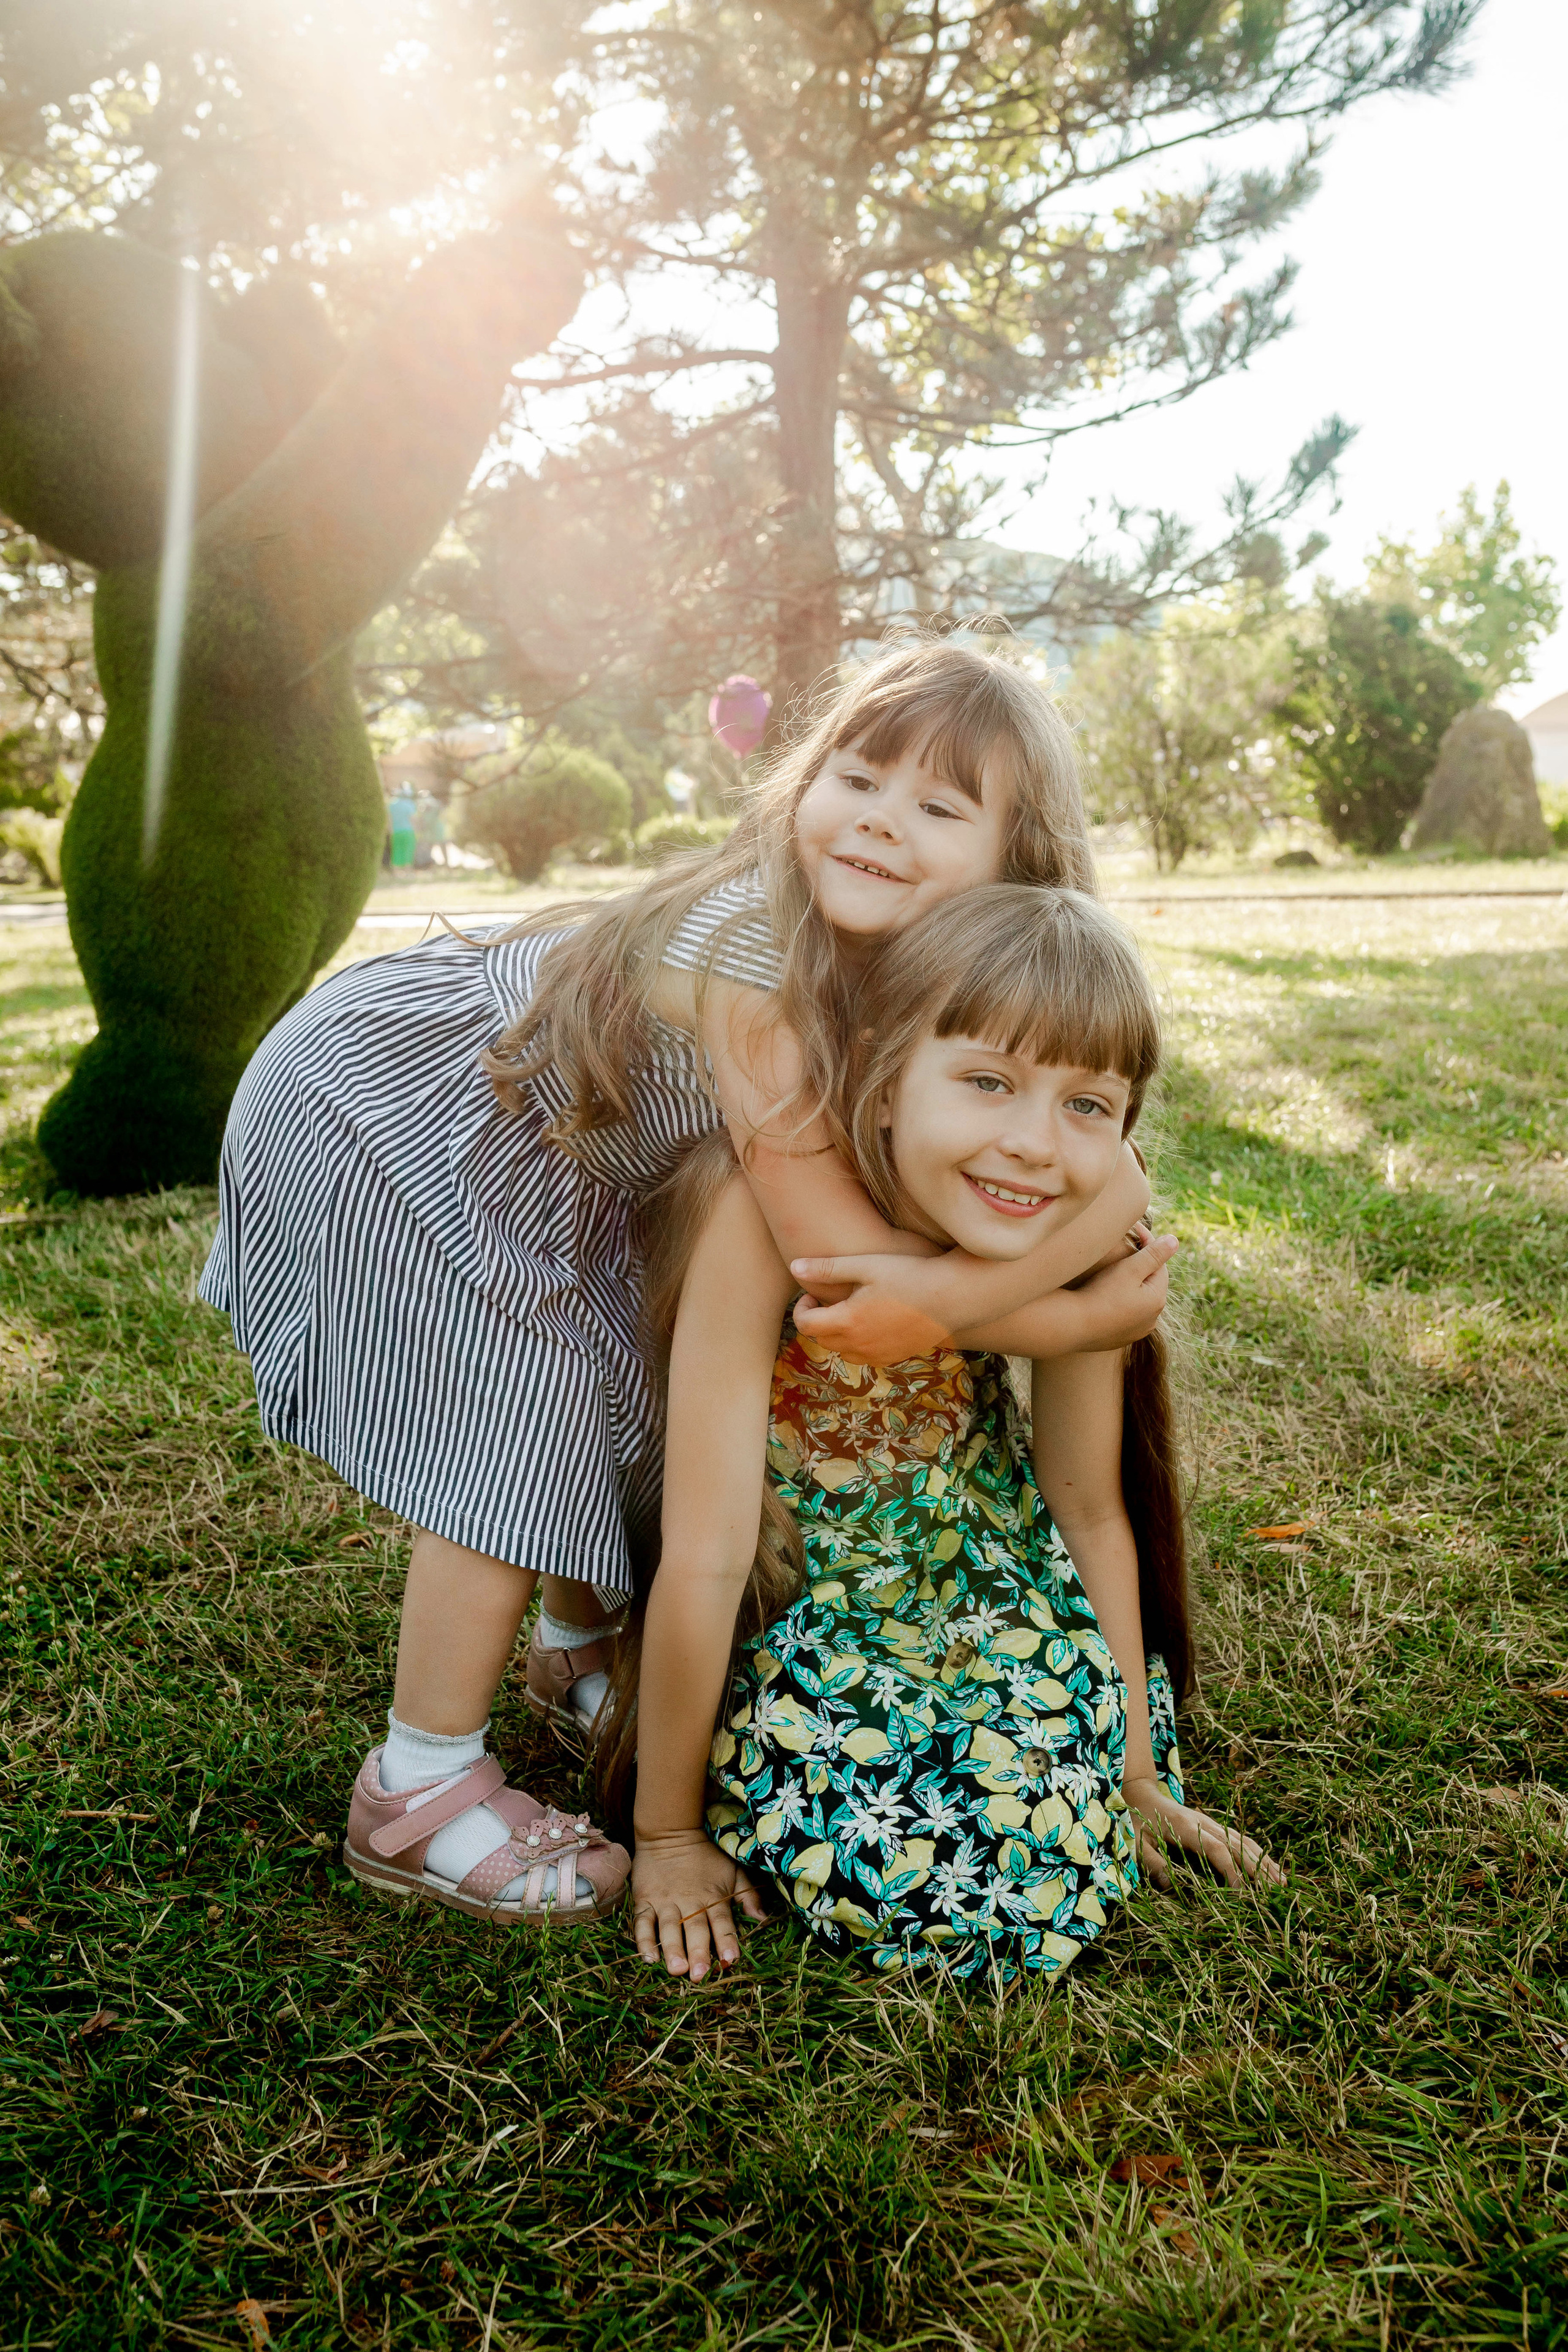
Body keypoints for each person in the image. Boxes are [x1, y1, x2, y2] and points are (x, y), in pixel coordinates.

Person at [200, 640, 1162, 1928]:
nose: (879, 821)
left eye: (938, 807)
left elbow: (1120, 1177)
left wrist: (1053, 1259)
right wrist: (1073, 1314)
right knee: (518, 1409)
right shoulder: (760, 958)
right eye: (858, 776)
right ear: (803, 780)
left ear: (1018, 860)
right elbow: (843, 1280)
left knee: (616, 1372)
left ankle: (578, 1646)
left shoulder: (930, 987)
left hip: (555, 1151)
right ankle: (418, 1789)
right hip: (394, 1102)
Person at [615, 886, 1281, 1983]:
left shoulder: (1077, 1235)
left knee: (1054, 1839)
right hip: (809, 1605)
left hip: (991, 1590)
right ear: (881, 1077)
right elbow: (709, 1550)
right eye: (986, 1082)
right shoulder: (757, 1220)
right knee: (922, 1870)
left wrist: (1136, 1773)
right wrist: (666, 1836)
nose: (1032, 1147)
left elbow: (1088, 1503)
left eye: (1088, 1106)